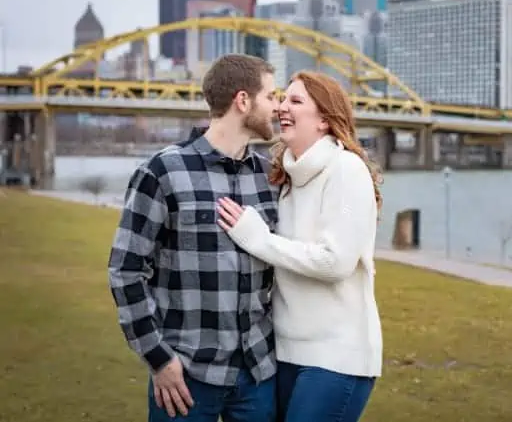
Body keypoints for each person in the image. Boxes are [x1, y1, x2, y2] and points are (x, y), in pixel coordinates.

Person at [107, 53, 281, 422]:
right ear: (243, 100)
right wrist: (158, 359)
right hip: (186, 377)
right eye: (271, 96)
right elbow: (125, 270)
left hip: (257, 375)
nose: (278, 107)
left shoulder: (269, 176)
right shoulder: (162, 172)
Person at [215, 70, 383, 422]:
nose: (281, 108)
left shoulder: (346, 170)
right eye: (281, 99)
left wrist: (260, 240)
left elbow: (336, 262)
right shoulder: (285, 178)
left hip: (337, 357)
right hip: (284, 354)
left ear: (324, 119)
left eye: (295, 101)